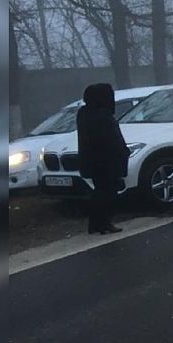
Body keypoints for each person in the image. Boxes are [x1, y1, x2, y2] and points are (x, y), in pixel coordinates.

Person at [77, 83, 129, 235]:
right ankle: (104, 223)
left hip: (92, 161)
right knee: (107, 193)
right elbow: (113, 140)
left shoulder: (84, 113)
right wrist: (123, 152)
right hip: (106, 162)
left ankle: (95, 224)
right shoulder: (103, 116)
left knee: (98, 192)